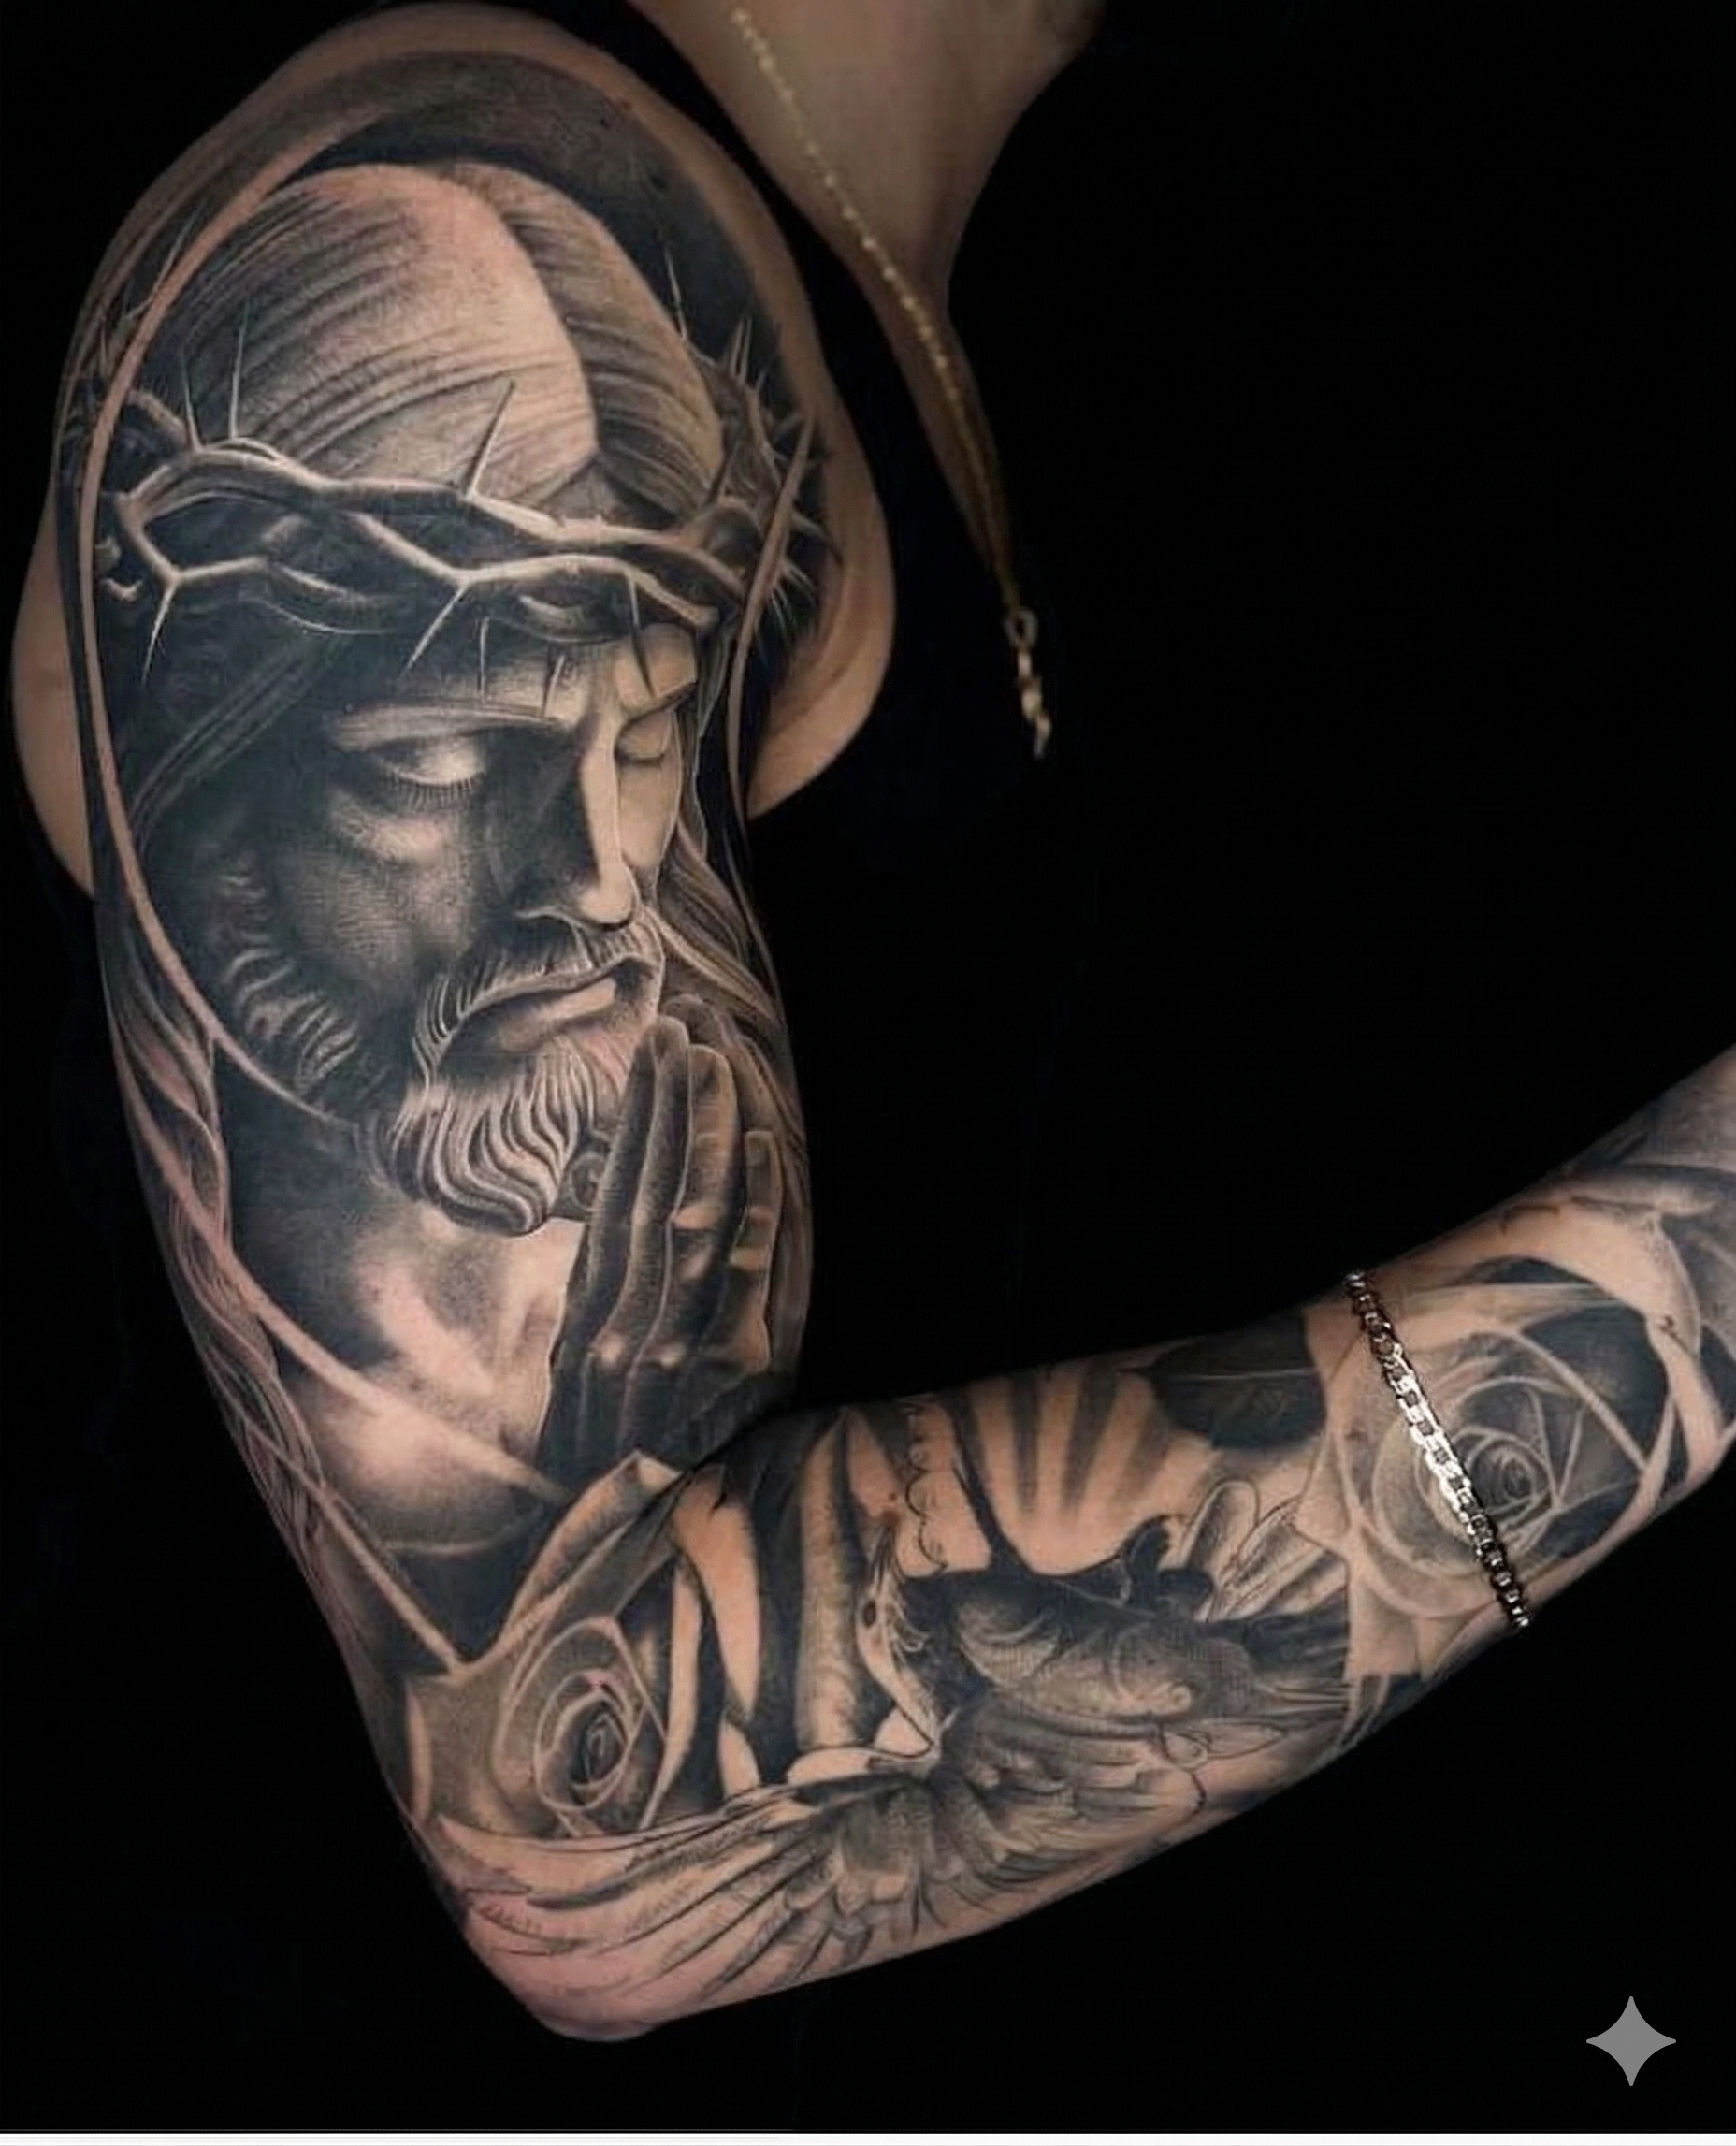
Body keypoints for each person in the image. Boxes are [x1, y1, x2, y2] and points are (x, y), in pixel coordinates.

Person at [11, 0, 1731, 2050]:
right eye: (434, 760)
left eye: (642, 733)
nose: (600, 876)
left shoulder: (920, 288)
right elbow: (579, 1837)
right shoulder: (469, 208)